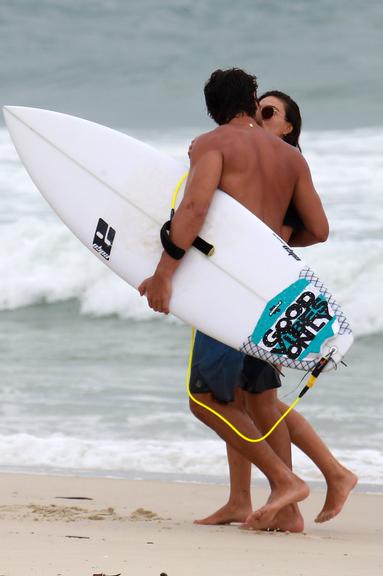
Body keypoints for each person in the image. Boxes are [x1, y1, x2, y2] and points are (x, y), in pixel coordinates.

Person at [139, 68, 329, 531]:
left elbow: (196, 208)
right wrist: (274, 238)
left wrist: (163, 275)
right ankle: (285, 512)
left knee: (204, 398)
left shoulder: (213, 143)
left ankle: (284, 481)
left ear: (213, 108)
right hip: (268, 289)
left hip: (226, 290)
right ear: (249, 100)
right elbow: (318, 230)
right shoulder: (290, 158)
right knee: (256, 395)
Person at [191, 90, 357, 530]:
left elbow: (316, 229)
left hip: (255, 292)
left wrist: (275, 236)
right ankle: (251, 501)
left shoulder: (279, 167)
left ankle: (309, 486)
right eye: (255, 108)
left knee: (249, 401)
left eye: (269, 113)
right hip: (253, 288)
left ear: (287, 127)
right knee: (249, 399)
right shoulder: (261, 162)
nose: (258, 118)